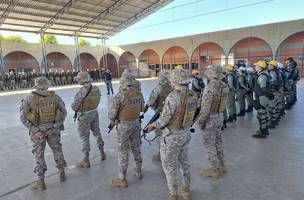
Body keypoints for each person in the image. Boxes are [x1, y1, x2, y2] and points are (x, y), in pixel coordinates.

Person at [145, 68, 198, 200]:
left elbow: (164, 119)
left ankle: (173, 195)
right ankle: (186, 189)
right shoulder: (192, 94)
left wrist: (152, 125)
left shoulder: (173, 97)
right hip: (185, 133)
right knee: (184, 163)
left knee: (170, 166)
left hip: (172, 136)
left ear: (175, 80)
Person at [19, 77, 67, 190]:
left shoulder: (29, 98)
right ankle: (61, 172)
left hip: (37, 133)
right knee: (57, 150)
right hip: (53, 131)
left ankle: (40, 181)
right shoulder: (55, 97)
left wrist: (36, 131)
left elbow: (22, 117)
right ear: (47, 85)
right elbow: (63, 113)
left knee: (38, 154)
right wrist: (54, 128)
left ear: (36, 85)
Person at [108, 72, 145, 188]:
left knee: (123, 151)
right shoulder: (138, 93)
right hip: (136, 124)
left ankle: (122, 178)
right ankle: (138, 170)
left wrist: (113, 119)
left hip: (123, 126)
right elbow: (142, 108)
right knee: (136, 147)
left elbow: (111, 114)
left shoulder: (119, 95)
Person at [198, 65, 229, 178]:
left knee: (209, 144)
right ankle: (221, 165)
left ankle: (214, 169)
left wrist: (201, 121)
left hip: (210, 119)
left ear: (211, 74)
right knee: (218, 142)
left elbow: (206, 107)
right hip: (219, 116)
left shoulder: (210, 87)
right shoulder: (224, 85)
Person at [71, 72, 106, 168]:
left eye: (79, 79)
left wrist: (73, 106)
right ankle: (102, 152)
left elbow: (74, 107)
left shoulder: (81, 91)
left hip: (84, 116)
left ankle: (85, 159)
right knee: (97, 132)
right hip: (94, 113)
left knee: (84, 137)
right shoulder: (96, 88)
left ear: (83, 80)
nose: (77, 80)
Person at [144, 70, 173, 161]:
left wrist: (153, 107)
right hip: (172, 115)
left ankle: (161, 155)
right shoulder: (173, 88)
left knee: (159, 135)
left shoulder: (158, 88)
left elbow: (151, 102)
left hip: (160, 115)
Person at [252, 60, 272, 138]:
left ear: (260, 67)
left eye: (256, 66)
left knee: (261, 114)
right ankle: (265, 129)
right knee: (264, 113)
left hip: (262, 97)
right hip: (264, 97)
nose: (255, 67)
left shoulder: (262, 76)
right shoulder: (264, 74)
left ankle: (262, 131)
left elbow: (263, 89)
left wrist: (264, 97)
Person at [268, 60, 281, 128]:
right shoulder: (277, 71)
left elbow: (273, 82)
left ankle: (273, 123)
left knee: (272, 107)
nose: (268, 66)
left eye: (269, 65)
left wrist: (270, 90)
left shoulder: (272, 72)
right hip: (277, 91)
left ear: (273, 66)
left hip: (274, 92)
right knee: (276, 106)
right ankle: (276, 120)